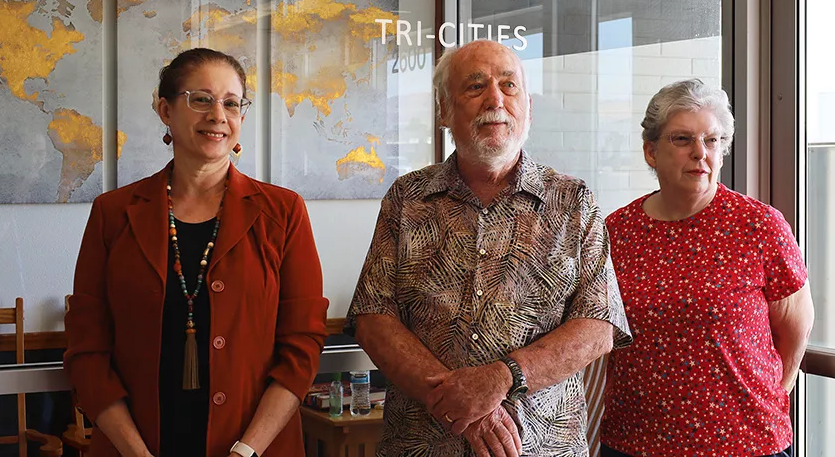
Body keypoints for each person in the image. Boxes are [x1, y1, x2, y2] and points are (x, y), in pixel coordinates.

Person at [345, 39, 632, 457]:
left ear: (528, 107)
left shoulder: (573, 201)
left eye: (509, 86)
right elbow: (373, 317)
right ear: (445, 110)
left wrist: (501, 379)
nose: (495, 98)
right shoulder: (407, 198)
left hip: (539, 447)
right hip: (422, 445)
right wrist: (461, 403)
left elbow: (598, 326)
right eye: (475, 86)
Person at [65, 48, 329, 457]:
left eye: (231, 103)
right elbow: (88, 348)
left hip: (254, 448)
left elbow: (302, 344)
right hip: (135, 445)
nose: (218, 115)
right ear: (165, 110)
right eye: (201, 99)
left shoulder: (283, 212)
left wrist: (247, 451)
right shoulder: (113, 214)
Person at [600, 79, 815, 457]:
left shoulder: (759, 225)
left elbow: (796, 327)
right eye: (682, 140)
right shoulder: (617, 231)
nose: (700, 153)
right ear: (651, 151)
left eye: (712, 140)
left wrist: (770, 394)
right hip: (634, 442)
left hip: (744, 442)